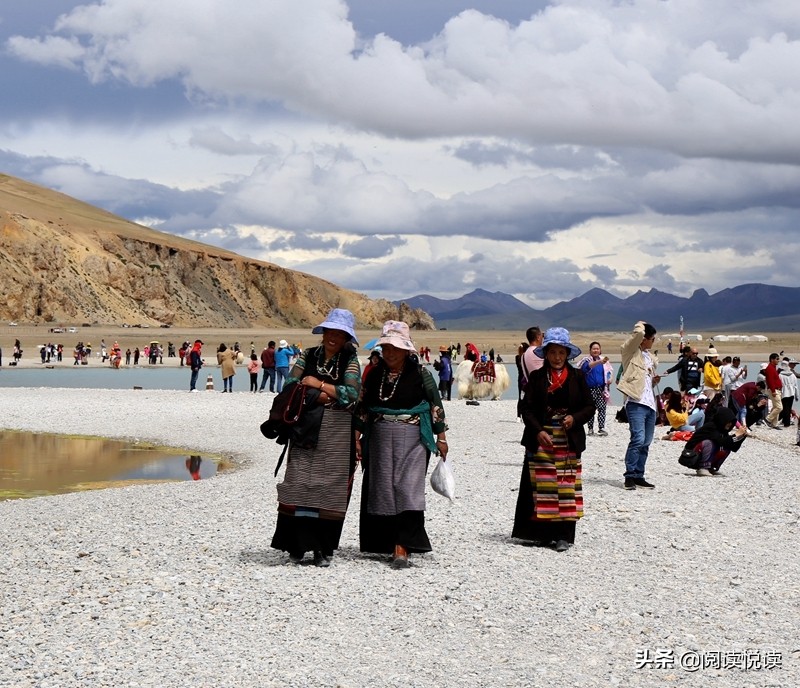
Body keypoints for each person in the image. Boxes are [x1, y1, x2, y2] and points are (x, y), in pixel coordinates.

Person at [270, 308, 361, 567]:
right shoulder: (308, 355)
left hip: (336, 431)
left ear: (346, 338)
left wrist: (319, 385)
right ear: (324, 332)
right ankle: (296, 545)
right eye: (330, 331)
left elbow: (352, 394)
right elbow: (290, 385)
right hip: (304, 427)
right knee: (298, 482)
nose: (333, 337)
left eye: (339, 333)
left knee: (329, 487)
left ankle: (322, 548)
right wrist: (319, 395)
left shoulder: (351, 361)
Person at [357, 320, 448, 569]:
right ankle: (386, 543)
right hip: (379, 437)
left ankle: (403, 545)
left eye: (395, 348)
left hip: (414, 437)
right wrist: (357, 437)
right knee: (383, 488)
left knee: (408, 488)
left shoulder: (421, 374)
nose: (390, 353)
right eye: (386, 348)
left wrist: (441, 438)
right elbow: (363, 407)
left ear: (407, 350)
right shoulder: (374, 374)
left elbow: (436, 405)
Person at [513, 327, 593, 552]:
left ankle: (563, 536)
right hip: (542, 438)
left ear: (567, 354)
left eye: (561, 353)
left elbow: (589, 406)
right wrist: (538, 430)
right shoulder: (537, 378)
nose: (557, 357)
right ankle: (542, 534)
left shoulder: (577, 377)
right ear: (546, 354)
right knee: (542, 486)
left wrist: (574, 419)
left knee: (566, 487)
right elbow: (526, 408)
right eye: (553, 352)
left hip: (568, 439)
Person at [619, 321, 661, 490]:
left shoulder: (649, 357)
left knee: (646, 442)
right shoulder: (630, 352)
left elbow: (644, 381)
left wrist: (653, 381)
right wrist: (640, 325)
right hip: (635, 402)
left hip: (650, 404)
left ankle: (638, 475)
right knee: (637, 439)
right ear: (644, 339)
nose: (653, 342)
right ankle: (629, 475)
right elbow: (637, 335)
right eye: (652, 338)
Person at [681, 407, 747, 476]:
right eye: (728, 421)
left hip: (697, 454)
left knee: (727, 446)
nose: (730, 424)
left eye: (731, 422)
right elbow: (721, 441)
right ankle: (703, 467)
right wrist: (736, 434)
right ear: (723, 419)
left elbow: (732, 447)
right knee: (709, 443)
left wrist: (741, 436)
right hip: (690, 455)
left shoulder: (722, 430)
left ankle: (711, 468)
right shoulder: (711, 427)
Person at [580, 341, 610, 436]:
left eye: (597, 349)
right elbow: (586, 368)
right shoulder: (586, 361)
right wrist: (599, 362)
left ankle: (601, 428)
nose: (596, 350)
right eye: (594, 349)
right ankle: (590, 428)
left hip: (601, 389)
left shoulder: (604, 362)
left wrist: (610, 379)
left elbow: (609, 372)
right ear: (590, 350)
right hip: (590, 389)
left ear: (600, 350)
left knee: (602, 408)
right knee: (590, 409)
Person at [764, 353, 783, 429]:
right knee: (779, 407)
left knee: (775, 406)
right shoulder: (770, 368)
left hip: (777, 389)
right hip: (774, 390)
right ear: (772, 360)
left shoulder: (773, 367)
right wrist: (773, 391)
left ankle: (774, 424)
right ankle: (768, 419)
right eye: (777, 359)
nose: (778, 360)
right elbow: (770, 380)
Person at [779, 357, 798, 427]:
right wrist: (797, 395)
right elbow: (796, 386)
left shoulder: (780, 375)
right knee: (788, 408)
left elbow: (779, 385)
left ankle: (785, 422)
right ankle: (786, 422)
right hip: (792, 393)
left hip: (784, 393)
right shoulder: (792, 375)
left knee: (784, 408)